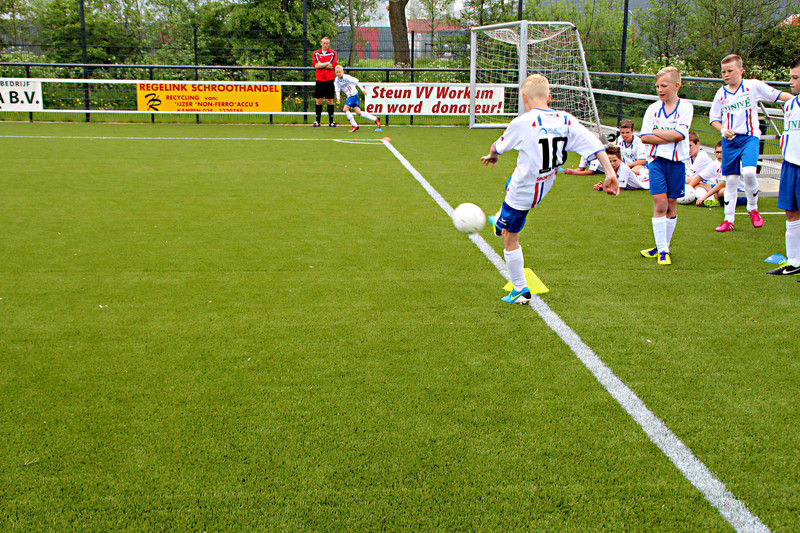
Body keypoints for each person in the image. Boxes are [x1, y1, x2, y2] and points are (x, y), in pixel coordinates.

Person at [480, 74, 618, 304]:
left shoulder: (523, 122)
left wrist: (492, 155)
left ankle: (520, 290)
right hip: (545, 183)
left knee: (510, 238)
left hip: (524, 190)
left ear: (524, 99)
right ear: (549, 98)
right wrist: (610, 173)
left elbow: (498, 146)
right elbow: (595, 145)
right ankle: (501, 220)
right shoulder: (565, 119)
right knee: (511, 182)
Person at [709, 54, 794, 231]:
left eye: (730, 71)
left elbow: (777, 95)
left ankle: (752, 208)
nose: (726, 75)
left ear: (741, 70)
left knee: (749, 173)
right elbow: (714, 118)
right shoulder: (721, 93)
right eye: (723, 72)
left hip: (750, 137)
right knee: (731, 180)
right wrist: (723, 130)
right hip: (730, 141)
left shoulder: (752, 86)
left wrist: (796, 100)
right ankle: (728, 219)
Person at [639, 66, 694, 266]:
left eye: (664, 85)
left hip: (677, 162)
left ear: (676, 86)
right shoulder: (653, 109)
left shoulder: (686, 107)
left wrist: (656, 132)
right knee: (660, 203)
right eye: (657, 86)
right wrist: (668, 136)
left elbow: (680, 135)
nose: (659, 90)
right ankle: (662, 251)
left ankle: (662, 246)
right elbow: (644, 137)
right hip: (656, 161)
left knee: (671, 205)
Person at [767, 58, 800, 278]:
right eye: (791, 77)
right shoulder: (789, 105)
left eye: (795, 78)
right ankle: (794, 262)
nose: (790, 82)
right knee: (790, 212)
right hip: (790, 165)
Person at [333, 65, 382, 133]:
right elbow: (337, 89)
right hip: (350, 96)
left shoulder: (347, 77)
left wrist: (363, 90)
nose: (338, 74)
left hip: (353, 95)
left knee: (345, 109)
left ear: (343, 72)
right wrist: (338, 97)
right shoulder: (336, 80)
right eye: (337, 72)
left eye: (339, 72)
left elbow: (357, 82)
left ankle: (354, 125)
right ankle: (375, 119)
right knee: (358, 112)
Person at [312, 36, 337, 127]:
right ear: (321, 43)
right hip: (319, 79)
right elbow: (316, 65)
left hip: (329, 79)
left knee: (330, 100)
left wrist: (322, 65)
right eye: (324, 43)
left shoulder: (333, 53)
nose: (325, 45)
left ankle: (331, 121)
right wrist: (326, 63)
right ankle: (317, 121)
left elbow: (332, 66)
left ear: (329, 44)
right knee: (319, 100)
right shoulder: (316, 53)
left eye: (327, 43)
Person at [694, 141, 724, 206]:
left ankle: (711, 200)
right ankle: (706, 200)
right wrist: (688, 189)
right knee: (698, 185)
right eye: (717, 152)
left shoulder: (731, 163)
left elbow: (723, 184)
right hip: (718, 187)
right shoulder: (716, 163)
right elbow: (700, 177)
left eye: (722, 152)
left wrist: (704, 197)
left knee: (722, 191)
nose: (719, 155)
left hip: (738, 192)